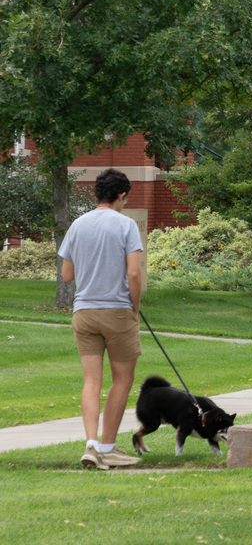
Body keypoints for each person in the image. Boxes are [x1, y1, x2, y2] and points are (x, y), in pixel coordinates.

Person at [58, 168, 144, 469]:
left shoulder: (78, 224)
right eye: (125, 198)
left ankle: (91, 444)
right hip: (117, 311)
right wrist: (135, 307)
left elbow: (67, 275)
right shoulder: (126, 225)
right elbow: (134, 273)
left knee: (92, 380)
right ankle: (107, 447)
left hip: (83, 312)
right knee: (123, 378)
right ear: (121, 195)